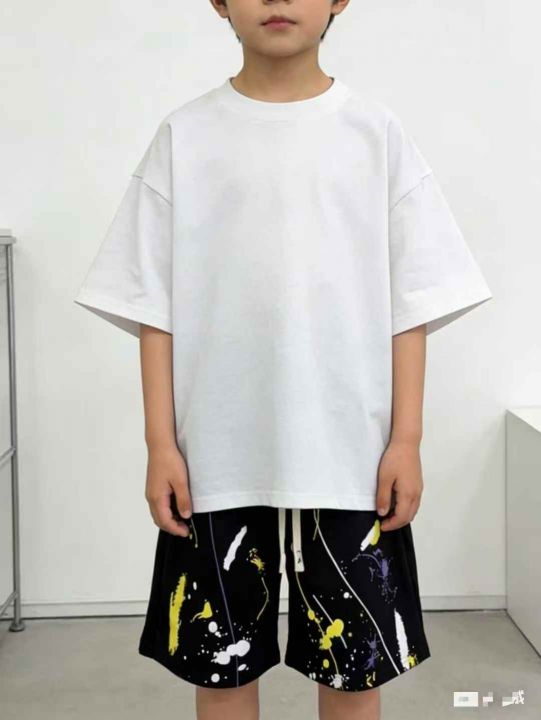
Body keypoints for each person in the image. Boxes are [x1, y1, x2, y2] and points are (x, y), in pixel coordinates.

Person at [73, 1, 493, 718]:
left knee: (354, 671)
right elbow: (151, 306)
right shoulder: (185, 136)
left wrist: (406, 439)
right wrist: (160, 445)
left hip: (351, 461)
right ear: (217, 2)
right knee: (223, 668)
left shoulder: (375, 135)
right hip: (216, 463)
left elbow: (414, 303)